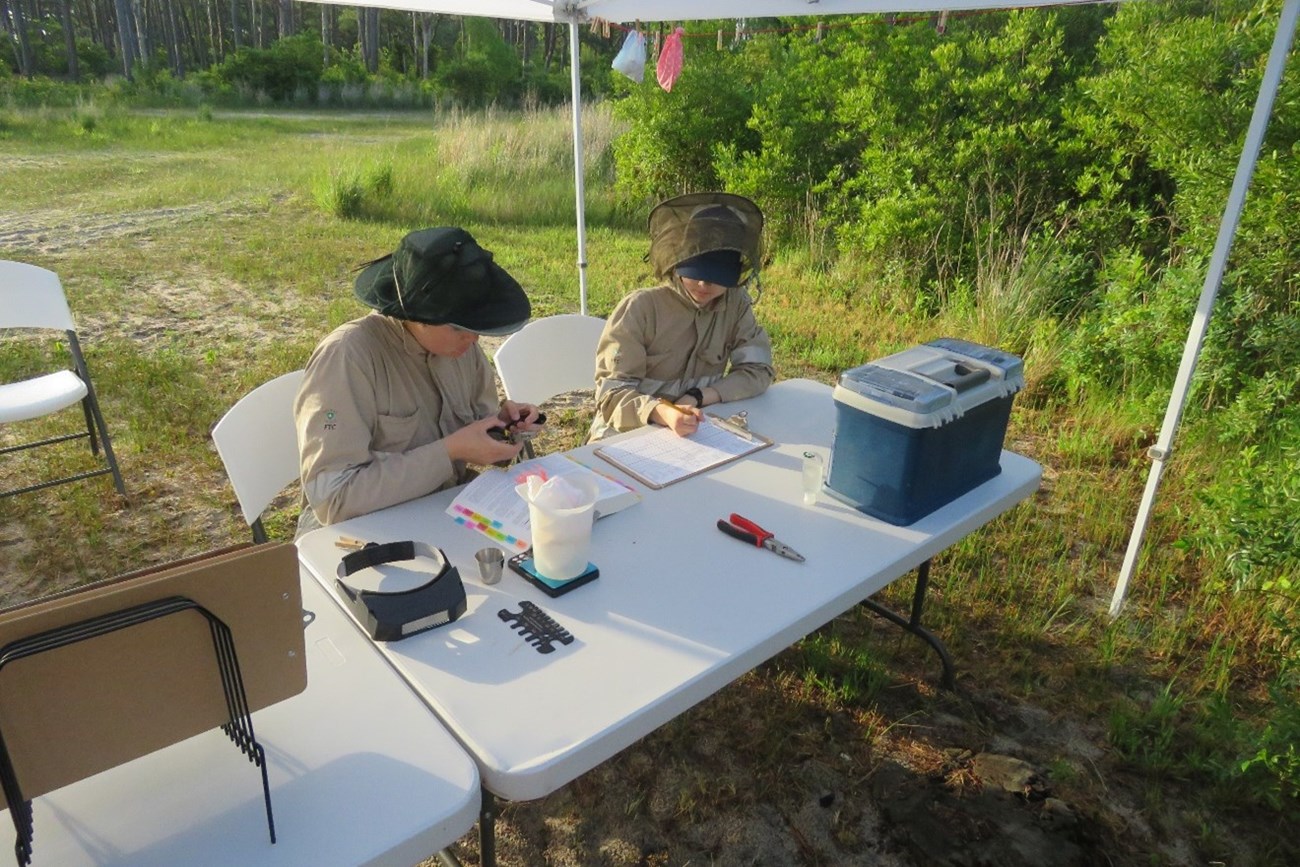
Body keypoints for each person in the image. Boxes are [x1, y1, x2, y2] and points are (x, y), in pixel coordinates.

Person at [294, 226, 542, 535]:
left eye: (476, 325)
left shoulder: (463, 349)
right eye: (459, 327)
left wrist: (505, 428)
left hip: (441, 511)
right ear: (414, 316)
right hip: (355, 533)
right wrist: (449, 451)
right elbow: (334, 499)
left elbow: (479, 427)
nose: (474, 337)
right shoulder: (347, 358)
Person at [590, 192, 775, 440]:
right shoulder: (641, 308)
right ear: (677, 260)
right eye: (695, 271)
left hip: (696, 434)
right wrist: (663, 411)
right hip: (623, 435)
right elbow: (611, 396)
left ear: (735, 273)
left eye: (716, 277)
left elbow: (758, 370)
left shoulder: (736, 305)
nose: (703, 284)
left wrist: (700, 396)